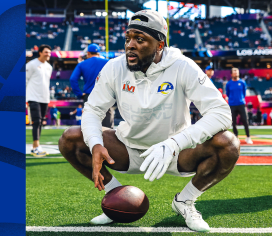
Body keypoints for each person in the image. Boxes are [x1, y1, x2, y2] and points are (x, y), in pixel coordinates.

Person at [59, 10, 239, 232]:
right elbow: (93, 109)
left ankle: (185, 201)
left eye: (140, 39)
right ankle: (116, 196)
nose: (130, 45)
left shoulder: (182, 65)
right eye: (128, 38)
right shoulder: (114, 67)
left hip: (175, 152)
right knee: (71, 139)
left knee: (228, 144)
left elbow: (221, 113)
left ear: (160, 45)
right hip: (127, 148)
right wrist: (95, 143)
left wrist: (174, 143)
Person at [70, 44, 115, 128]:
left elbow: (73, 79)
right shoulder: (108, 62)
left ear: (88, 53)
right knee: (107, 123)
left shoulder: (82, 64)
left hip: (89, 96)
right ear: (98, 53)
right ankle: (108, 140)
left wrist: (79, 94)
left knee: (90, 122)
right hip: (105, 94)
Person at [26, 44, 52, 157]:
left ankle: (36, 146)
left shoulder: (49, 67)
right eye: (46, 52)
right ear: (40, 52)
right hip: (33, 97)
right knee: (36, 121)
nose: (48, 54)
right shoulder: (31, 65)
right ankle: (36, 146)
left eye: (49, 52)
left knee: (40, 122)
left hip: (44, 98)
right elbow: (24, 80)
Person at [226, 68, 253, 144]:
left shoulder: (242, 82)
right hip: (232, 105)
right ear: (231, 74)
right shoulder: (228, 84)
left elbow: (244, 93)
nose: (235, 73)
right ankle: (236, 138)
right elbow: (228, 93)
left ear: (238, 73)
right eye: (234, 72)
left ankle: (248, 137)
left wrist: (240, 99)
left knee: (245, 120)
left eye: (236, 72)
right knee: (233, 122)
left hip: (241, 104)